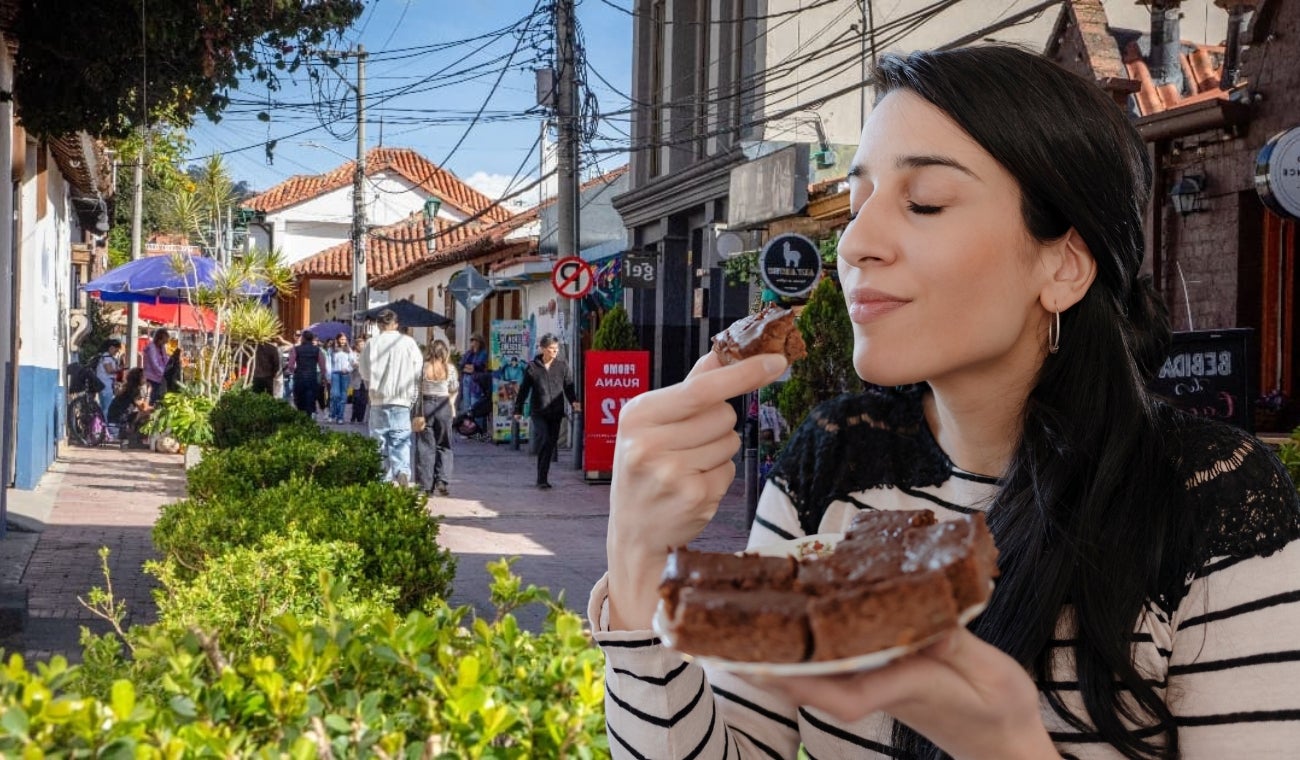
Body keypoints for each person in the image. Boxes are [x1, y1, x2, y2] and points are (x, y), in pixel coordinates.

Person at [594, 46, 1300, 760]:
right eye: (859, 201)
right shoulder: (837, 462)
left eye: (924, 202)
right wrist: (634, 564)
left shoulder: (1209, 502)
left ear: (1063, 265)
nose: (856, 244)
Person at [358, 308, 423, 485]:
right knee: (400, 439)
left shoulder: (372, 343)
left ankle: (382, 478)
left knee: (379, 441)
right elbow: (418, 369)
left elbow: (363, 371)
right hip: (402, 399)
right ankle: (402, 471)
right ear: (396, 324)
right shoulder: (409, 343)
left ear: (379, 325)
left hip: (379, 400)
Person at [513, 334, 580, 489]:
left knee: (550, 443)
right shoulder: (532, 367)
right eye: (551, 349)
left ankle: (543, 477)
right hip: (539, 411)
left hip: (556, 412)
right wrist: (518, 409)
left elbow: (569, 387)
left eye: (556, 349)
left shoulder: (562, 366)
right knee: (544, 438)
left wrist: (574, 402)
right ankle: (541, 478)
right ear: (543, 349)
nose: (554, 352)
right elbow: (524, 390)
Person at [414, 340, 458, 496]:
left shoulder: (422, 368)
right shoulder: (450, 369)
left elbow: (416, 390)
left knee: (425, 446)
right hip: (443, 406)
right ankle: (442, 480)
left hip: (426, 405)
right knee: (444, 444)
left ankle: (426, 485)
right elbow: (453, 388)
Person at [285, 329, 327, 417]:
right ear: (312, 339)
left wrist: (292, 371)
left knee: (299, 399)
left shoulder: (296, 349)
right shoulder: (317, 350)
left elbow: (291, 365)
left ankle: (301, 416)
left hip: (299, 377)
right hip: (312, 377)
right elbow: (322, 365)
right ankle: (308, 416)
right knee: (310, 399)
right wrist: (323, 377)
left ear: (303, 339)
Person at [107, 367, 152, 447]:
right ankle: (135, 439)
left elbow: (143, 405)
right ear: (138, 378)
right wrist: (149, 394)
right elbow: (143, 408)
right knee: (146, 415)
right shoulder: (133, 390)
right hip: (119, 417)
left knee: (143, 414)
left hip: (116, 415)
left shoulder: (129, 387)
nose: (146, 378)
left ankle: (135, 438)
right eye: (143, 377)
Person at [462, 333, 490, 437]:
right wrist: (469, 365)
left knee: (475, 405)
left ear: (479, 342)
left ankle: (478, 431)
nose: (472, 342)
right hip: (466, 380)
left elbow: (476, 366)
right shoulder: (469, 353)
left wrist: (470, 367)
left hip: (476, 381)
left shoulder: (483, 353)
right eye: (471, 340)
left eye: (474, 340)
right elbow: (462, 364)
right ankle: (468, 430)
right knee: (466, 405)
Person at [327, 332, 357, 423]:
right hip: (335, 374)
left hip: (345, 375)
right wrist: (328, 376)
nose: (343, 341)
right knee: (335, 395)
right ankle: (332, 414)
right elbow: (328, 363)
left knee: (343, 397)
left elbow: (354, 363)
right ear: (337, 339)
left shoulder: (349, 350)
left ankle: (340, 417)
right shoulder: (331, 350)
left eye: (344, 339)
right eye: (341, 339)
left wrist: (348, 369)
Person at [94, 339, 122, 414]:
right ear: (111, 348)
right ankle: (106, 424)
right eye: (116, 350)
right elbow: (109, 370)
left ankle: (102, 423)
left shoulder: (107, 356)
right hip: (105, 385)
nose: (116, 353)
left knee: (104, 406)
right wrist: (119, 369)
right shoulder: (106, 357)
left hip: (105, 384)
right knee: (107, 407)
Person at [142, 328, 170, 404]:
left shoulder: (162, 347)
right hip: (151, 378)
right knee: (152, 398)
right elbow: (154, 364)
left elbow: (165, 359)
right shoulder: (151, 348)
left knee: (158, 398)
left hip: (159, 378)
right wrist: (164, 373)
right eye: (163, 341)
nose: (164, 344)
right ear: (159, 339)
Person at [350, 335, 370, 424]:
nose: (362, 346)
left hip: (365, 380)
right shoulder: (353, 354)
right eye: (360, 345)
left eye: (363, 345)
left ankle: (360, 418)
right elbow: (353, 365)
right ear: (356, 346)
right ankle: (354, 416)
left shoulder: (367, 355)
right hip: (357, 380)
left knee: (363, 400)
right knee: (356, 399)